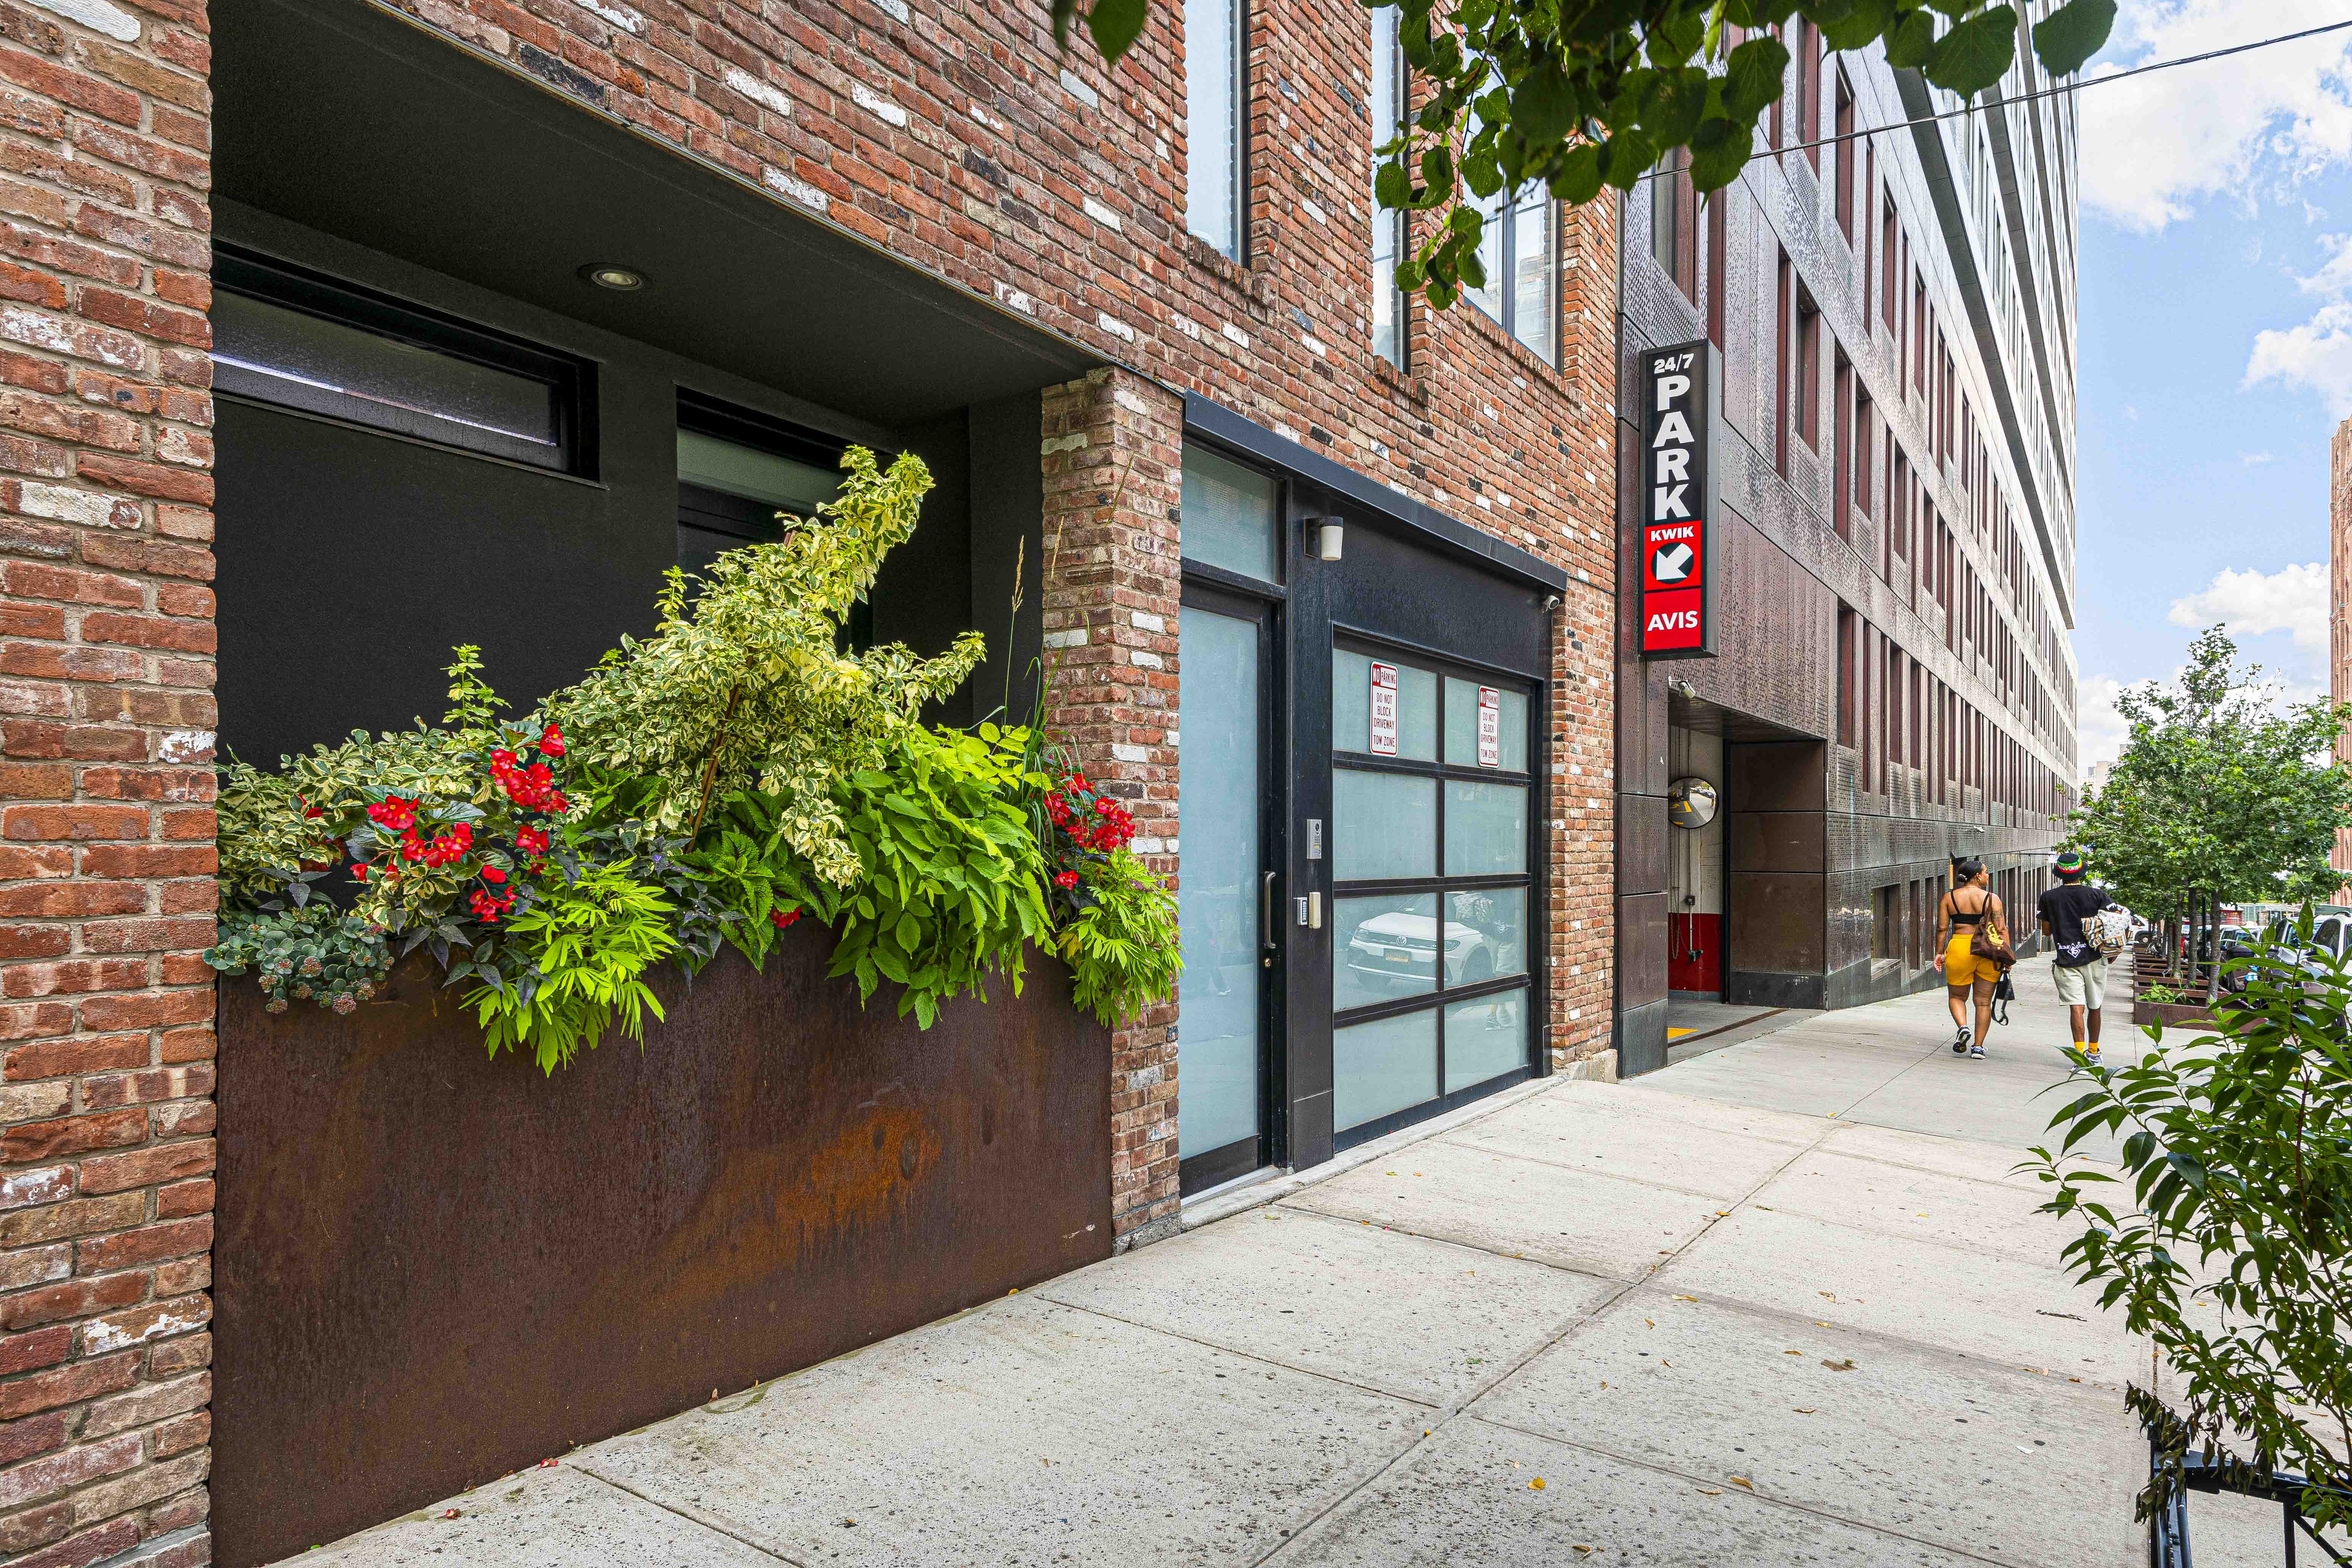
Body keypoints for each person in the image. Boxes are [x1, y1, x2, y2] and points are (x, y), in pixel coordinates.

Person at [2036, 848, 2112, 1066]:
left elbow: (2047, 931)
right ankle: (2094, 1052)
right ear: (2081, 873)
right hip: (2095, 957)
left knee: (2076, 1007)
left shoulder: (2048, 898)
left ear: (2059, 875)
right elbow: (2116, 922)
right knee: (2095, 1006)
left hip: (2066, 959)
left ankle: (2079, 1056)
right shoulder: (2097, 895)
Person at [1934, 859, 2004, 1059]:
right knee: (1983, 1002)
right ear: (1977, 876)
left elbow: (1942, 929)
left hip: (1960, 947)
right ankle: (1979, 1048)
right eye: (1986, 872)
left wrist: (1940, 953)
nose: (1988, 875)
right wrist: (2007, 957)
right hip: (1986, 950)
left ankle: (1963, 1027)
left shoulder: (1949, 898)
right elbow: (2001, 929)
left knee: (1957, 997)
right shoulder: (1992, 899)